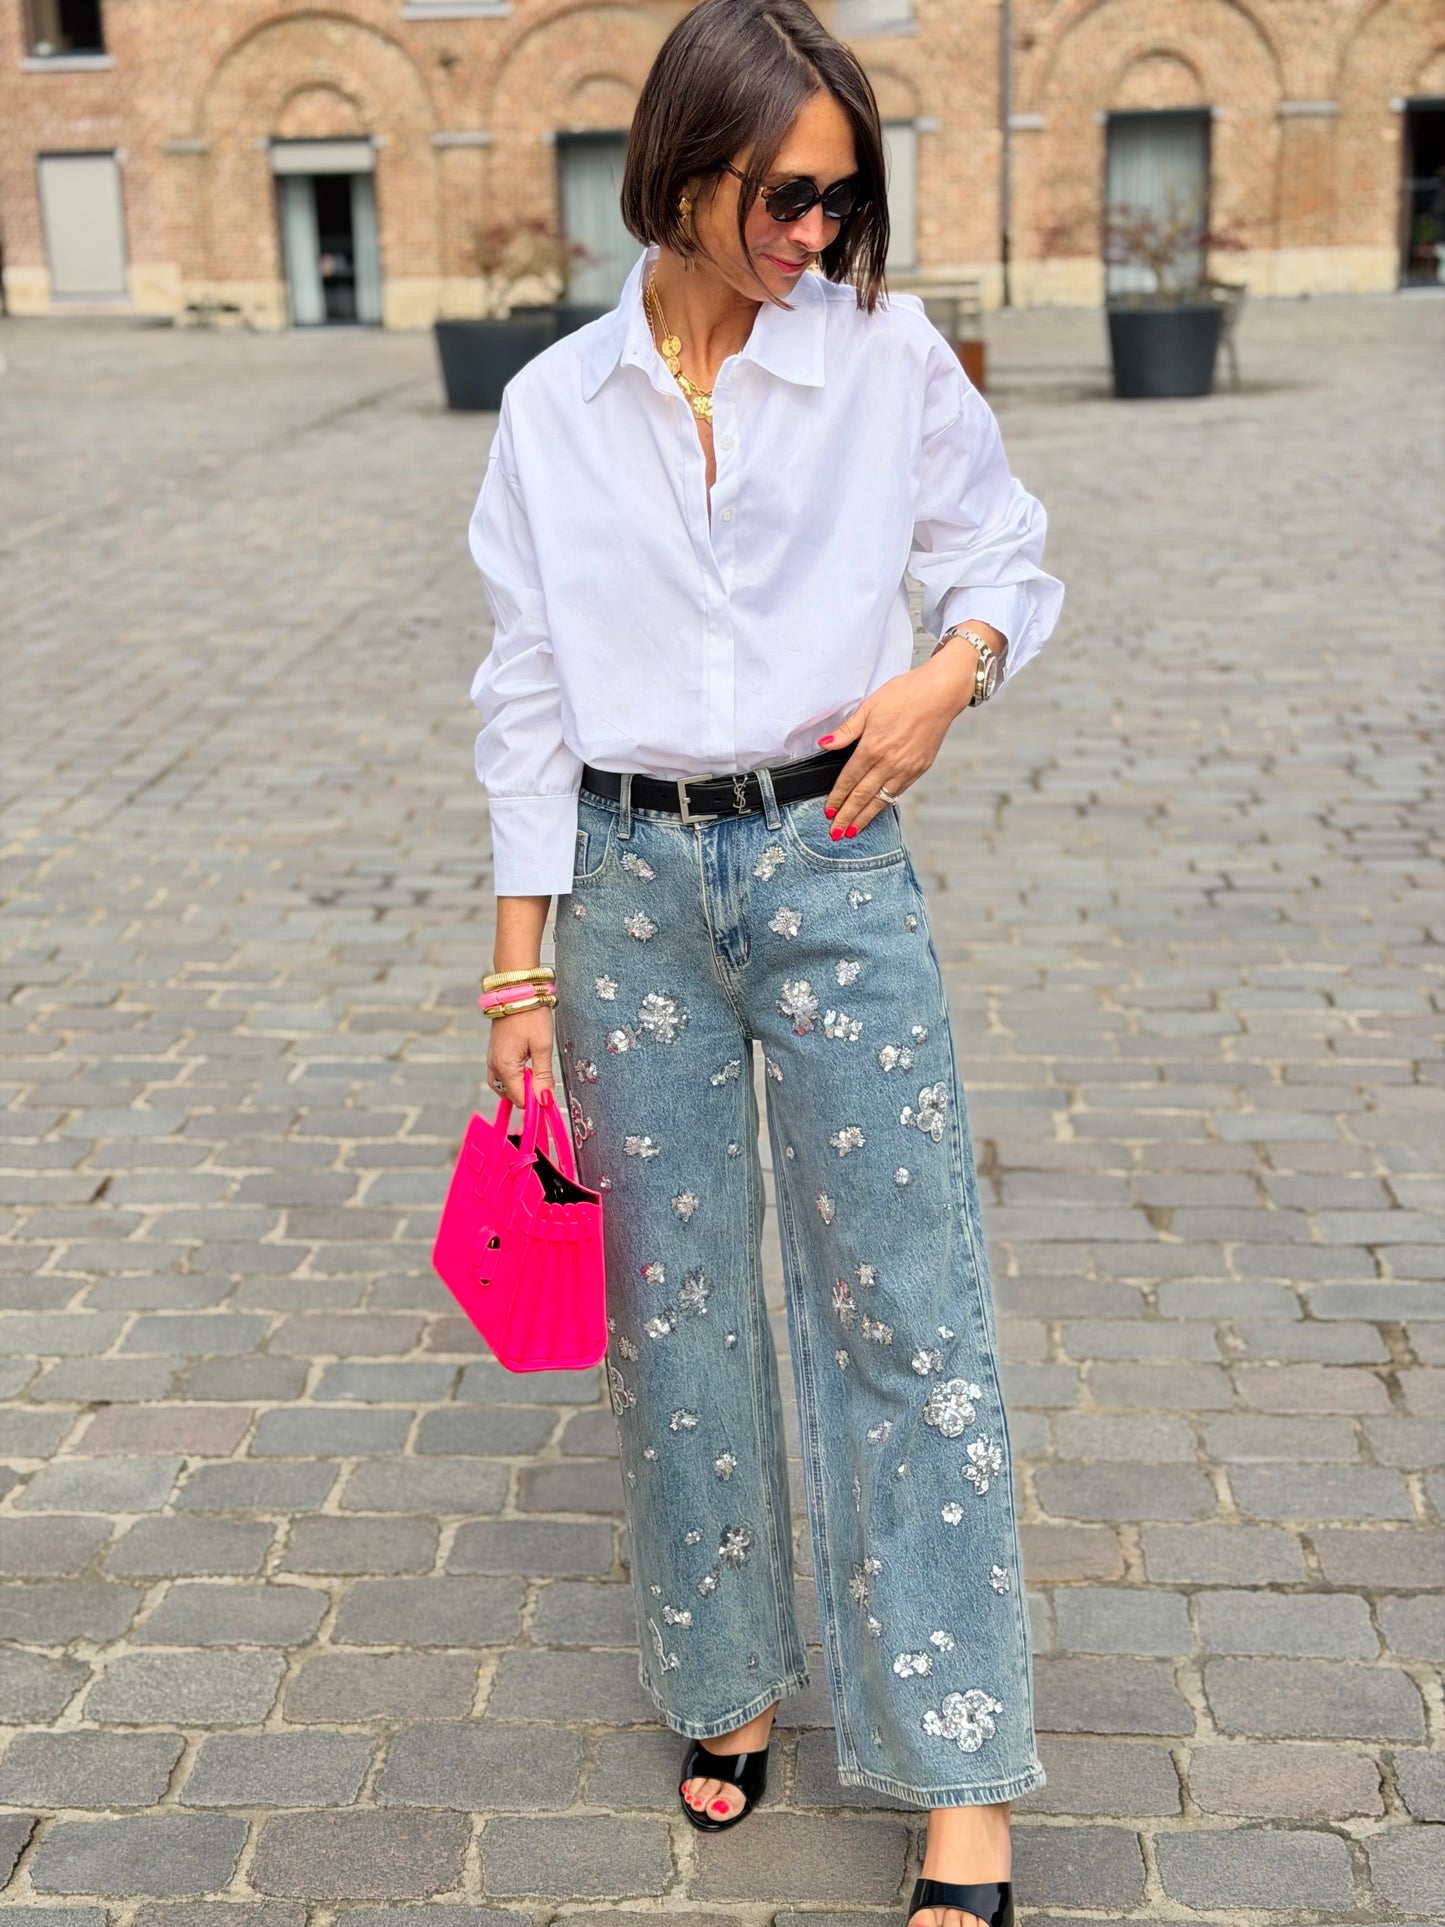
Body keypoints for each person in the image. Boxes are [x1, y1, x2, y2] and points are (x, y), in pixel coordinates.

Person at [466, 3, 1062, 1920]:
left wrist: (947, 674)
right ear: (682, 167)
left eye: (841, 200)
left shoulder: (882, 357)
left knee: (907, 1314)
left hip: (833, 863)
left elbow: (1005, 552)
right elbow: (525, 689)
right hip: (625, 886)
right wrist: (515, 969)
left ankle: (957, 1775)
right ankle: (723, 1678)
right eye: (786, 196)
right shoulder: (554, 408)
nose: (816, 235)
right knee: (675, 1317)